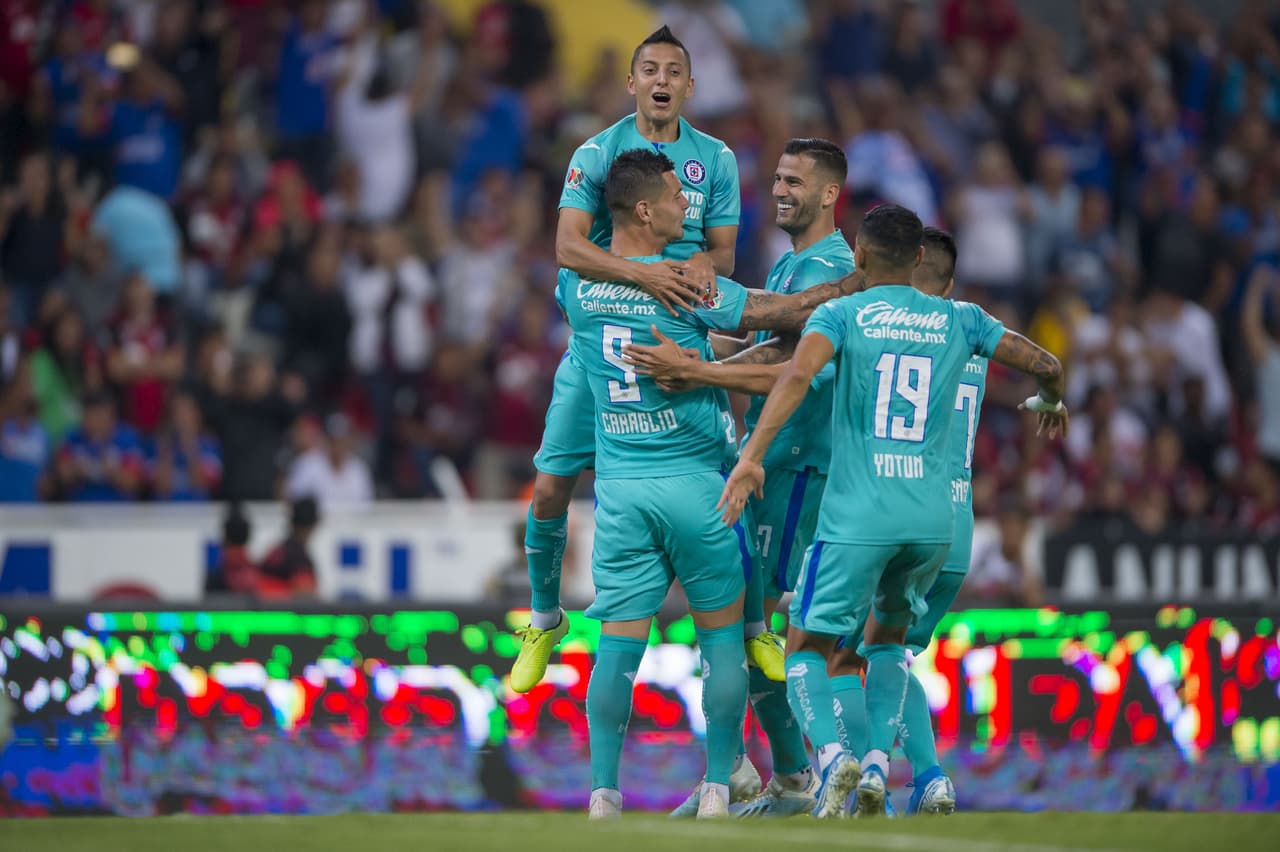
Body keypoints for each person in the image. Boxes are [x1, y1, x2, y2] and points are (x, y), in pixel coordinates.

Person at [718, 204, 1068, 818]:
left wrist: (750, 456)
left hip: (860, 516)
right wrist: (1050, 398)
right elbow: (1047, 364)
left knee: (804, 644)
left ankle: (833, 758)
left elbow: (794, 375)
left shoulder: (844, 314)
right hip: (936, 523)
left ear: (858, 255)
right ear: (918, 259)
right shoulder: (964, 319)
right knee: (887, 645)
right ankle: (885, 765)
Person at [573, 149, 870, 820]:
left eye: (792, 180)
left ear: (830, 195)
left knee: (622, 644)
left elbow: (793, 361)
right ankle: (731, 781)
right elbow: (778, 315)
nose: (689, 205)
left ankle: (606, 795)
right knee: (733, 635)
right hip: (702, 479)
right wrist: (855, 285)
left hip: (624, 486)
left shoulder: (576, 285)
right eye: (676, 196)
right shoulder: (688, 284)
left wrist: (702, 362)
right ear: (645, 209)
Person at [513, 25, 776, 697]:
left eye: (674, 70)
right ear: (632, 83)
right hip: (600, 343)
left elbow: (723, 254)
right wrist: (644, 275)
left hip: (682, 331)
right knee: (549, 488)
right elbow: (568, 248)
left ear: (690, 85)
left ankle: (755, 625)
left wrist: (697, 265)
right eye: (650, 69)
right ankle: (543, 619)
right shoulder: (597, 152)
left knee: (731, 476)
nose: (662, 79)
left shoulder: (715, 159)